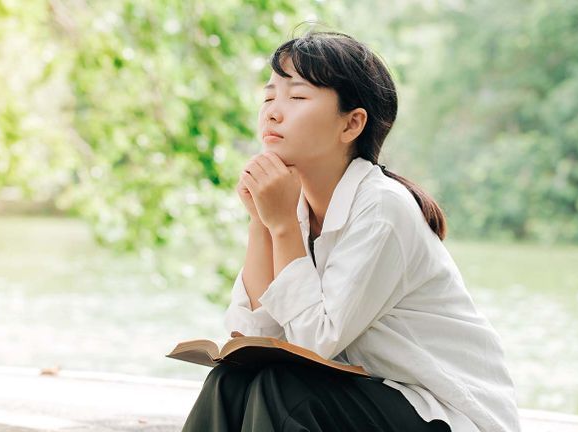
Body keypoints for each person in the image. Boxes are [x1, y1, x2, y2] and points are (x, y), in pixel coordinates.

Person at [182, 29, 520, 432]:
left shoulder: (382, 207)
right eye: (270, 96)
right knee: (230, 379)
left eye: (298, 97)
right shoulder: (296, 210)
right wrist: (261, 222)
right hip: (366, 397)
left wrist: (282, 226)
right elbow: (252, 335)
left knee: (284, 389)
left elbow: (312, 346)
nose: (273, 112)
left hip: (445, 413)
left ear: (352, 124)